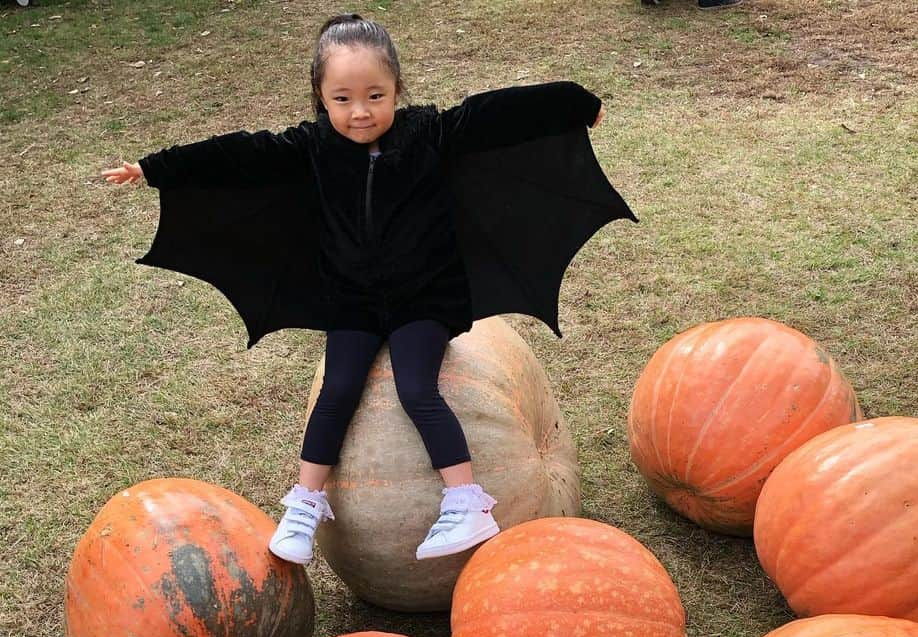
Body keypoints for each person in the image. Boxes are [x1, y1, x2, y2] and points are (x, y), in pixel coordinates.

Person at [103, 14, 610, 566]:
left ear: (397, 89)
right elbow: (237, 154)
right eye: (342, 98)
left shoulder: (428, 133)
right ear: (322, 98)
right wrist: (154, 169)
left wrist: (577, 102)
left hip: (425, 297)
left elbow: (501, 111)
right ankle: (305, 502)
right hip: (354, 301)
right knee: (337, 390)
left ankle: (468, 502)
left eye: (375, 95)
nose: (361, 111)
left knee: (417, 387)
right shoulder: (314, 145)